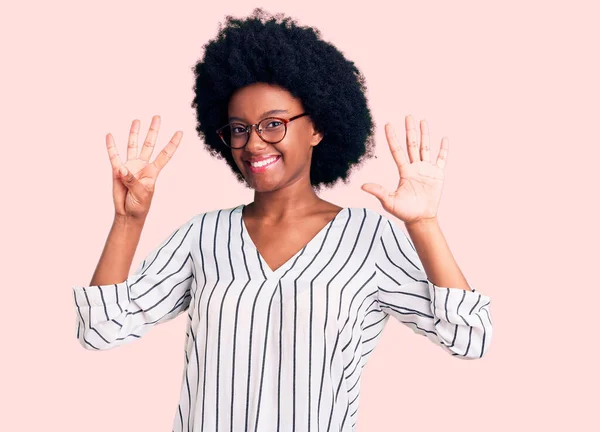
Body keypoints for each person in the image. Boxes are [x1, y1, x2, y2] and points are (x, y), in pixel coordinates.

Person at [72, 8, 493, 432]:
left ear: (318, 128)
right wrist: (128, 222)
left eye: (273, 124)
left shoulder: (369, 239)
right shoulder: (203, 236)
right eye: (238, 128)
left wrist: (424, 224)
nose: (253, 143)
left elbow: (469, 337)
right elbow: (101, 329)